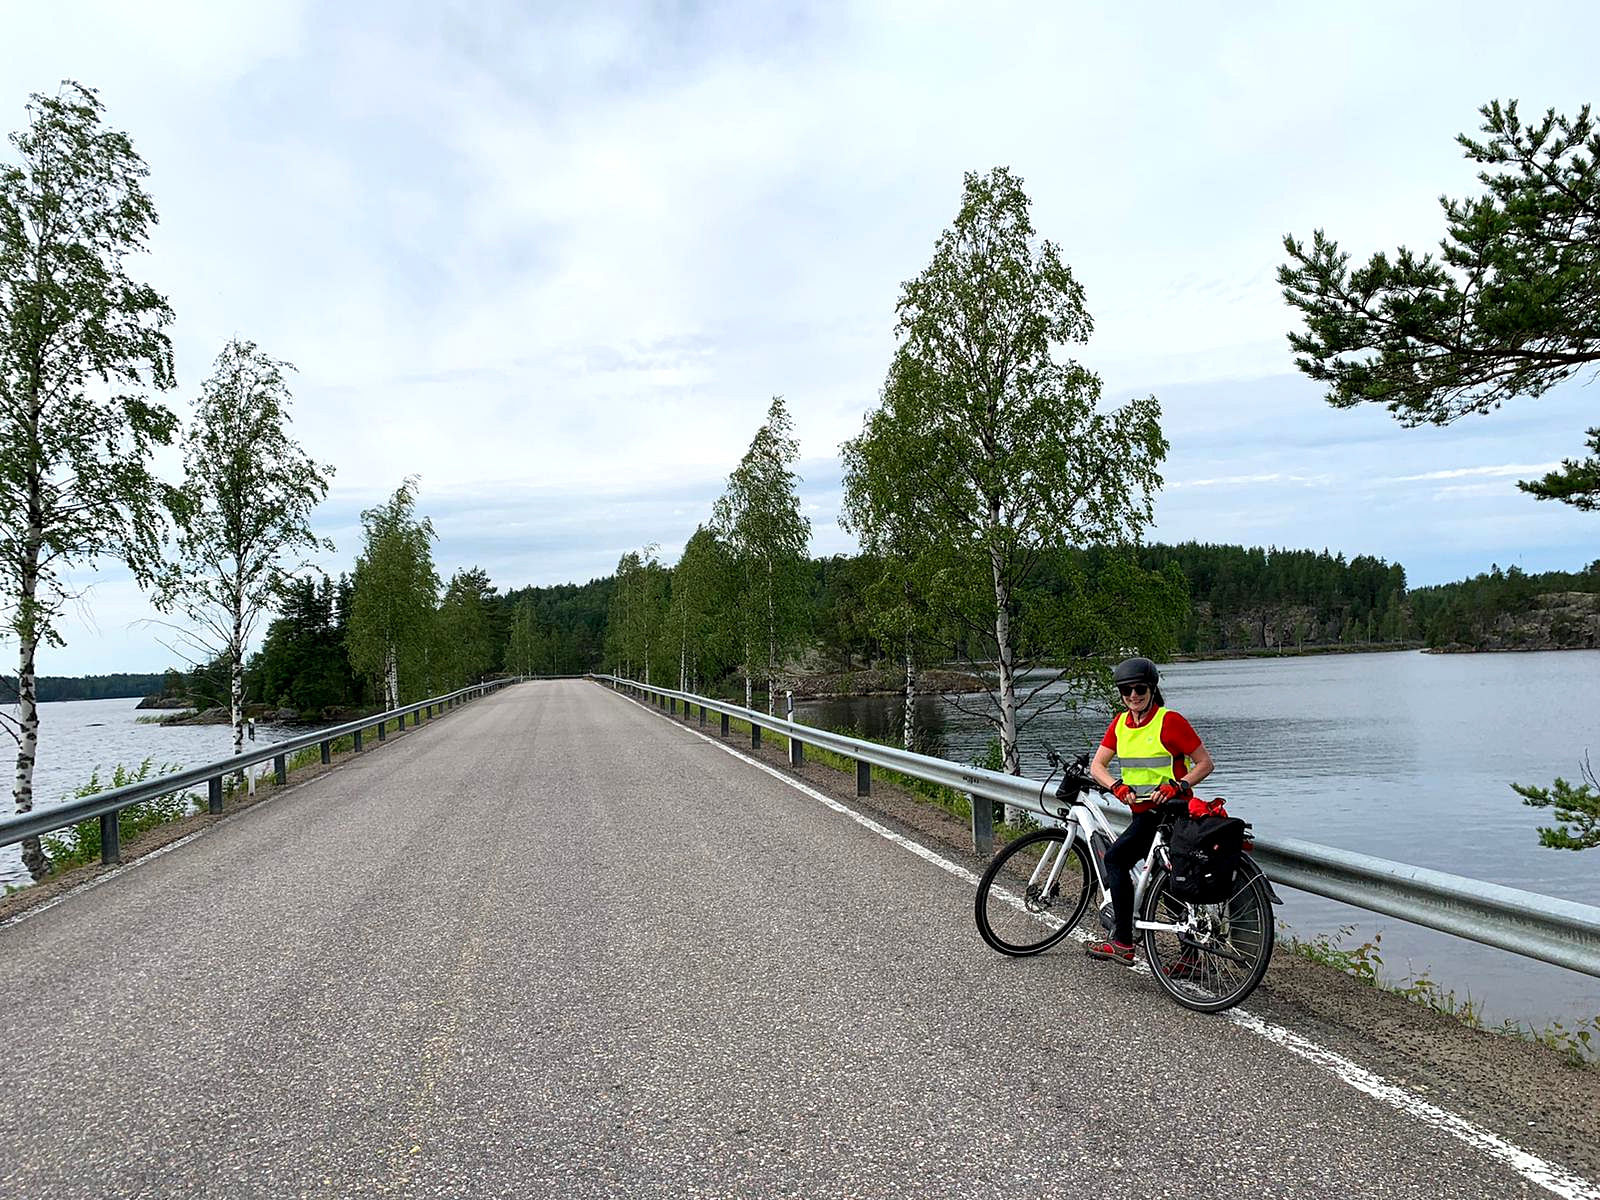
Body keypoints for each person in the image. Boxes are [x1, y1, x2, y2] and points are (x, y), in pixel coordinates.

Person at [1084, 656, 1214, 964]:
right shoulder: (1120, 724)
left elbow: (1205, 763)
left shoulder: (1170, 721)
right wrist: (1117, 787)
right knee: (1170, 881)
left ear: (1151, 689)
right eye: (1125, 690)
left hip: (1169, 813)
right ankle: (1192, 958)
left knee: (1115, 858)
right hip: (1141, 813)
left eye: (1139, 688)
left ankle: (1122, 941)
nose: (1133, 695)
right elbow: (1097, 766)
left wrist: (1177, 785)